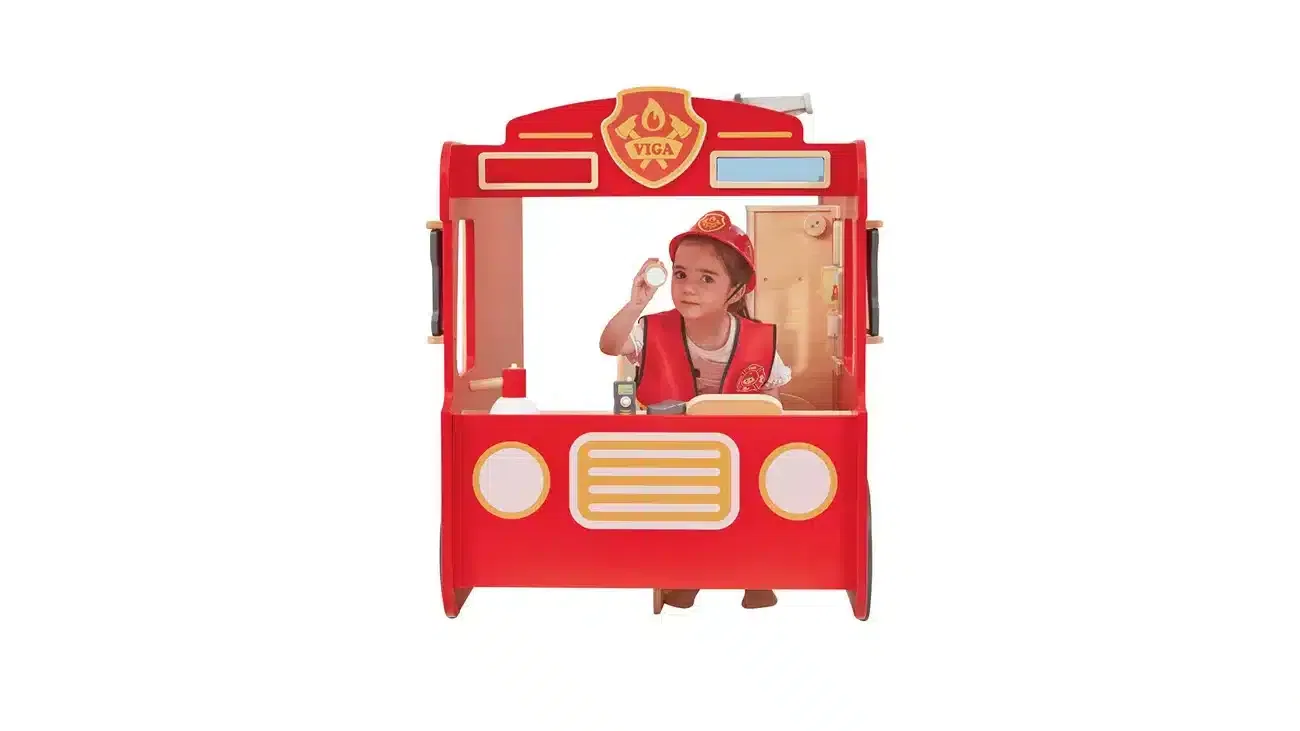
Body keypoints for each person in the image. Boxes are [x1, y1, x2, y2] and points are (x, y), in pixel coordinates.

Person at [598, 210, 791, 610]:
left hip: (741, 453)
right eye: (681, 274)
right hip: (676, 453)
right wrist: (636, 303)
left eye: (707, 279)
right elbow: (610, 345)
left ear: (735, 292)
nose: (688, 288)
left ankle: (755, 577)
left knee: (750, 502)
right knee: (683, 507)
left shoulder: (759, 341)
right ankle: (688, 577)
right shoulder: (651, 329)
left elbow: (774, 408)